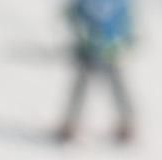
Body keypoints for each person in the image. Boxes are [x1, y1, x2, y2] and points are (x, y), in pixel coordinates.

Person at [55, 0, 136, 147]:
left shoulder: (120, 3)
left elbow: (126, 21)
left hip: (111, 51)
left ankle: (127, 123)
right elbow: (73, 15)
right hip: (88, 51)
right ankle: (70, 123)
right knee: (80, 87)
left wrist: (122, 40)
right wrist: (84, 36)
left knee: (118, 88)